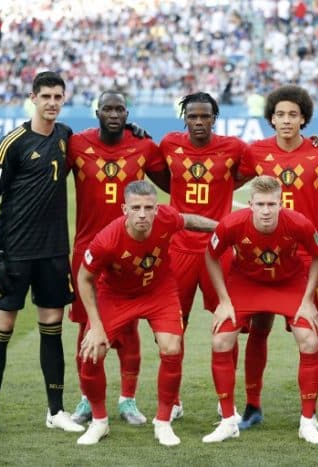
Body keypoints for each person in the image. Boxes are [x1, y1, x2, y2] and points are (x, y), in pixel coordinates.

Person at [0, 71, 84, 438]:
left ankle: (55, 411)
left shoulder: (66, 136)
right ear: (32, 98)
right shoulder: (13, 143)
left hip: (53, 252)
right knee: (3, 326)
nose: (52, 103)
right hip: (15, 252)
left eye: (58, 96)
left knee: (52, 327)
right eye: (46, 97)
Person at [235, 84, 318, 429]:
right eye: (280, 114)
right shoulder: (255, 152)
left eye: (293, 115)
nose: (286, 120)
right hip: (263, 255)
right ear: (271, 118)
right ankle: (252, 405)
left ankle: (309, 415)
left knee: (311, 330)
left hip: (305, 258)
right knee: (259, 329)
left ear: (304, 119)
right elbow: (228, 181)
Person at [76, 180, 217, 446]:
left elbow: (188, 220)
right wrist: (95, 326)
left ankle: (163, 422)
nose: (142, 214)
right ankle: (99, 422)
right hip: (116, 295)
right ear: (124, 209)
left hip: (158, 290)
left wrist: (223, 228)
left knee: (172, 347)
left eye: (148, 207)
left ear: (157, 208)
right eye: (136, 208)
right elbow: (84, 278)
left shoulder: (166, 218)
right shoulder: (106, 240)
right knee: (92, 352)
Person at [67, 90, 169, 425]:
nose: (113, 114)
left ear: (128, 113)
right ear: (96, 111)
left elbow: (173, 181)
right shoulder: (77, 144)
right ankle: (87, 399)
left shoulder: (143, 145)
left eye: (120, 109)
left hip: (131, 249)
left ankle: (127, 400)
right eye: (107, 108)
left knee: (127, 326)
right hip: (88, 248)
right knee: (87, 326)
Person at [202, 176, 318, 444]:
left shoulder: (298, 223)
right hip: (247, 283)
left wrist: (307, 300)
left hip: (288, 283)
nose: (267, 210)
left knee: (310, 339)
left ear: (281, 203)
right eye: (261, 204)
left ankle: (307, 421)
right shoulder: (232, 224)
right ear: (250, 204)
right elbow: (211, 256)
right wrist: (224, 300)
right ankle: (227, 421)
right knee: (221, 339)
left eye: (272, 204)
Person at [159, 91, 248, 420]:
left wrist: (226, 187)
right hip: (178, 247)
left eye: (205, 116)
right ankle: (174, 399)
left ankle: (226, 400)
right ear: (184, 117)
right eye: (193, 116)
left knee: (226, 324)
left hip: (218, 250)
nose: (199, 122)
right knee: (172, 326)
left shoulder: (234, 148)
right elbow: (158, 172)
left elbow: (256, 167)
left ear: (215, 118)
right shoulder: (169, 144)